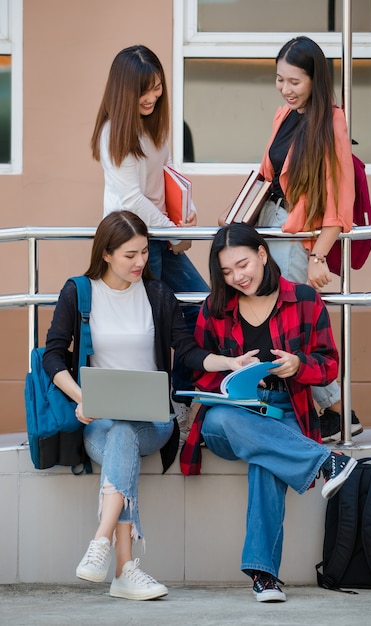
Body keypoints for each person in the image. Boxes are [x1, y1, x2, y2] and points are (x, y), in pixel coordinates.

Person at [42, 211, 258, 601]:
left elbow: (188, 351)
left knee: (128, 430)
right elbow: (53, 357)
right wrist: (82, 397)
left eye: (144, 252)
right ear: (105, 254)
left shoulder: (157, 294)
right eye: (129, 255)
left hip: (155, 422)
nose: (140, 262)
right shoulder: (79, 292)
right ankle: (124, 569)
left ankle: (101, 541)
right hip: (99, 423)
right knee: (120, 433)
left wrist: (229, 362)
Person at [180, 223, 357, 602]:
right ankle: (327, 462)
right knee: (226, 420)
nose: (237, 277)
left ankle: (264, 576)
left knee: (267, 461)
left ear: (262, 253)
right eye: (226, 272)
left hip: (285, 408)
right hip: (231, 416)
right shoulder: (216, 307)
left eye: (242, 264)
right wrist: (228, 365)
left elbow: (328, 365)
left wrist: (297, 365)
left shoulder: (305, 299)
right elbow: (193, 361)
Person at [90, 44, 208, 436]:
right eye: (144, 90)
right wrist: (176, 231)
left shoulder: (154, 124)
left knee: (201, 306)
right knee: (155, 322)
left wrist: (183, 216)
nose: (153, 97)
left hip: (160, 235)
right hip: (136, 240)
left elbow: (165, 178)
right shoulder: (114, 134)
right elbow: (132, 200)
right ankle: (164, 407)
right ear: (124, 91)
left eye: (157, 87)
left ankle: (184, 398)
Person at [256, 35, 362, 442]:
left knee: (293, 325)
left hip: (299, 235)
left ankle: (337, 410)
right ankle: (320, 411)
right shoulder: (285, 115)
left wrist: (319, 255)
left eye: (295, 81)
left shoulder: (331, 120)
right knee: (271, 320)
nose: (285, 88)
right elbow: (267, 174)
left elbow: (339, 197)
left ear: (315, 80)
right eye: (280, 79)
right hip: (269, 224)